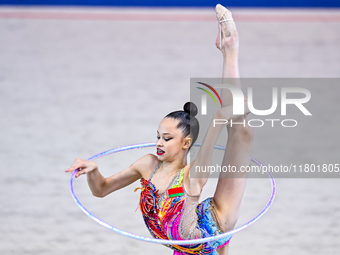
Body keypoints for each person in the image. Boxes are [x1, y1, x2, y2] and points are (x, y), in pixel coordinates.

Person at [65, 4, 253, 255]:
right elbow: (101, 190)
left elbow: (214, 133)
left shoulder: (192, 174)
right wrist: (94, 170)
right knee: (240, 126)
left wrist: (220, 116)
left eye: (167, 138)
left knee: (242, 131)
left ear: (186, 143)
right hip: (183, 248)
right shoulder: (147, 165)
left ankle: (230, 48)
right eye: (158, 137)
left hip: (215, 226)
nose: (159, 143)